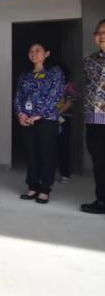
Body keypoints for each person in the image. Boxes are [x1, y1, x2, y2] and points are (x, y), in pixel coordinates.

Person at [15, 43, 64, 205]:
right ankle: (32, 186)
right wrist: (20, 113)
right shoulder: (25, 75)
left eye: (38, 50)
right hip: (27, 120)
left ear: (47, 53)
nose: (33, 54)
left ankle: (45, 189)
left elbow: (55, 95)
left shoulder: (54, 73)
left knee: (46, 154)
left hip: (46, 119)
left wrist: (39, 114)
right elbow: (18, 97)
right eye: (31, 51)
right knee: (31, 153)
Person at [81, 19, 105, 214]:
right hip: (95, 121)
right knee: (99, 163)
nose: (102, 35)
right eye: (98, 32)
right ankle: (102, 201)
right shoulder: (89, 61)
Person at [56, 66, 76, 184]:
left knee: (64, 146)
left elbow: (69, 102)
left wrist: (58, 112)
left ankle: (65, 174)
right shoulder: (50, 83)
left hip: (64, 118)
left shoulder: (69, 85)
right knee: (49, 146)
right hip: (49, 118)